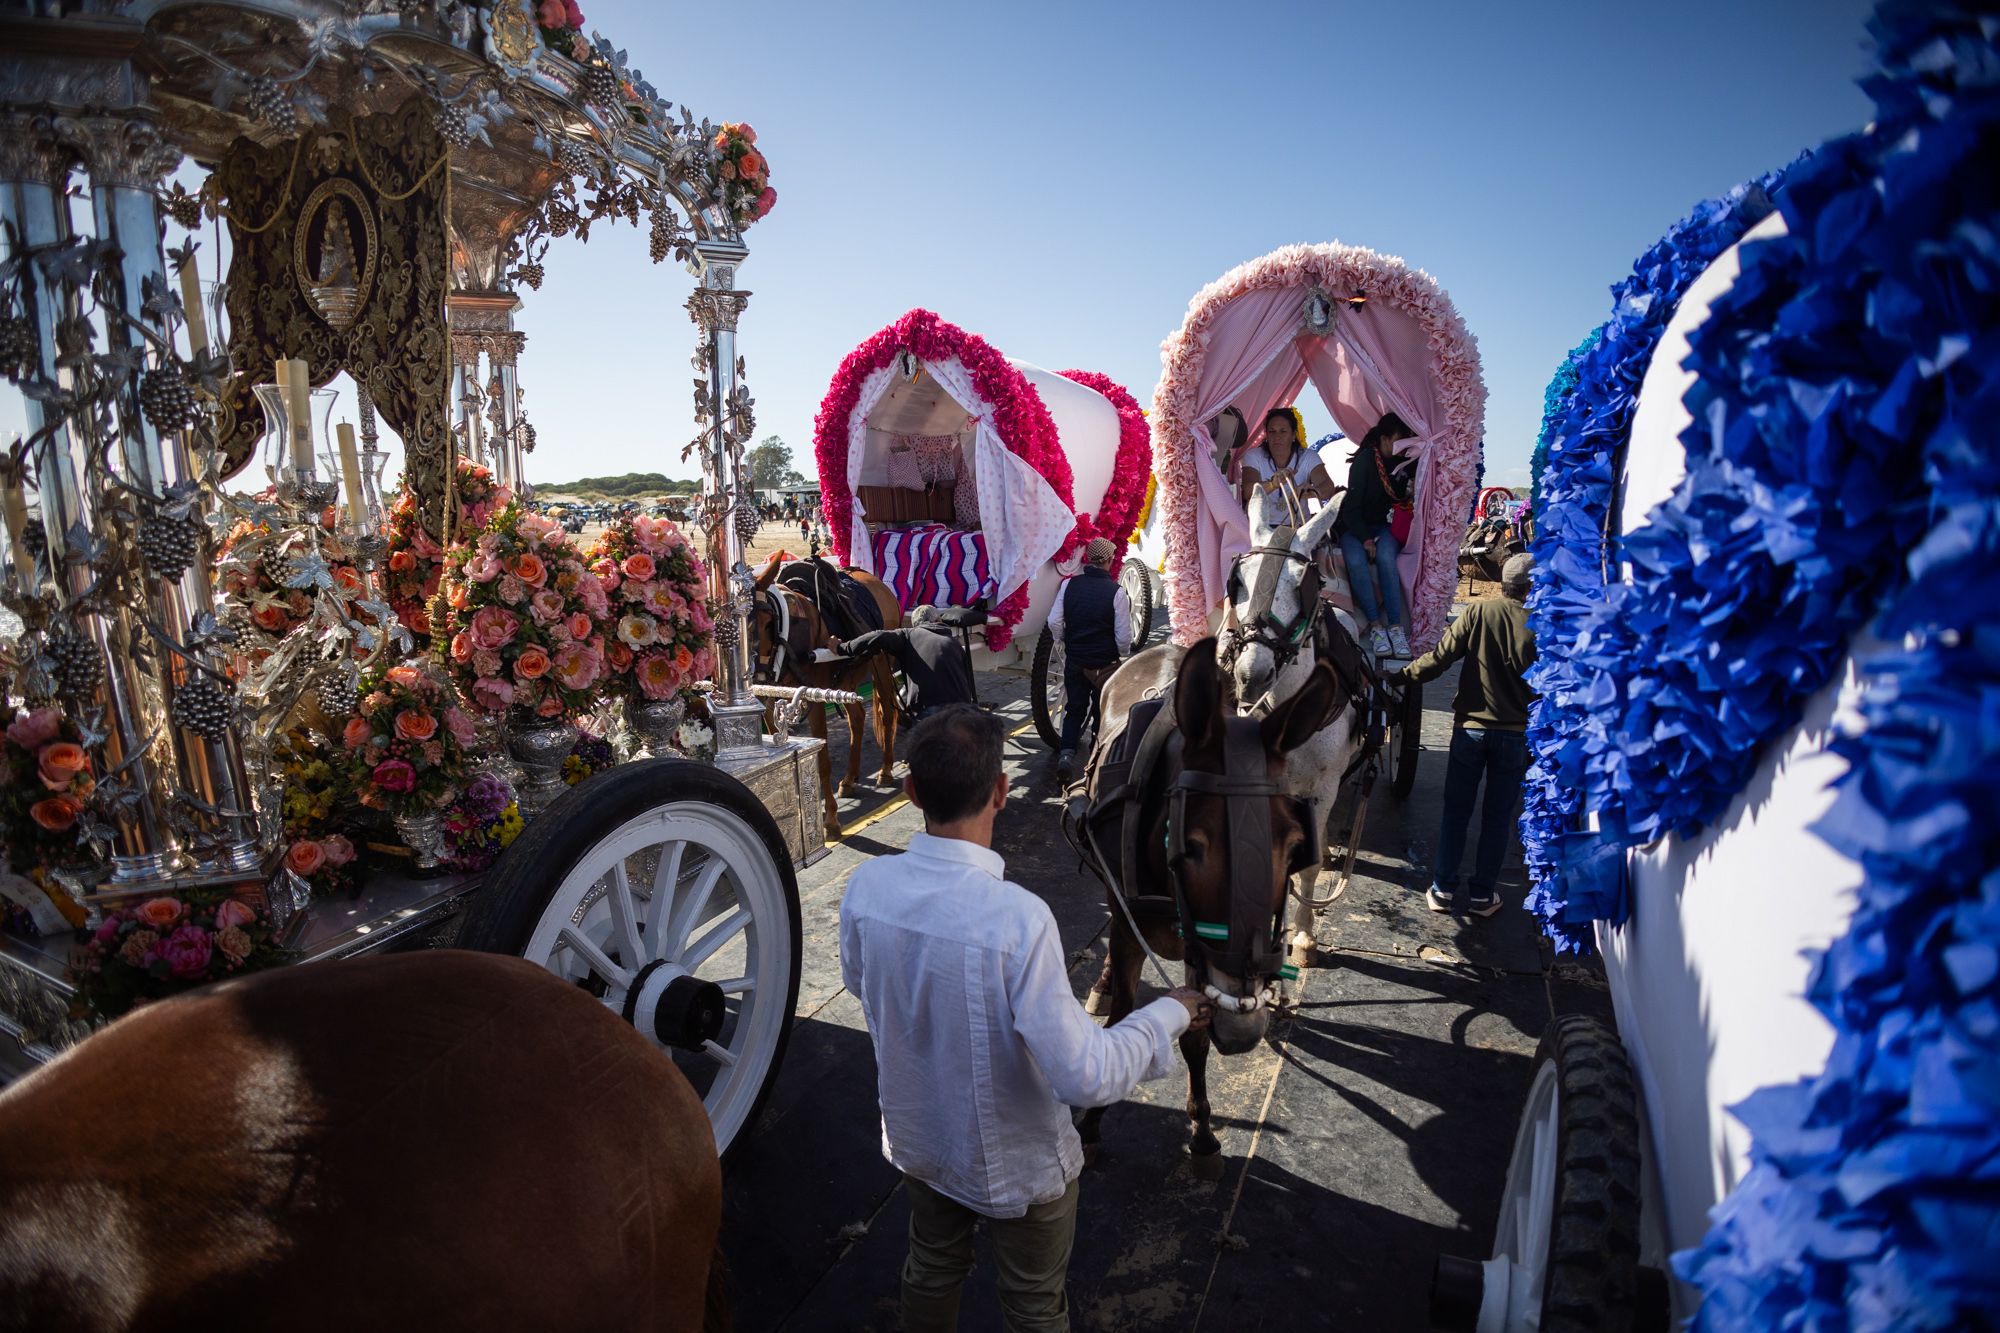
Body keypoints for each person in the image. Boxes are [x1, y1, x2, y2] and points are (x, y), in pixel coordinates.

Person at [840, 707, 1210, 1332]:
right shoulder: (1019, 920)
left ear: (909, 793)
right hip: (1018, 1166)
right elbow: (1085, 1079)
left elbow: (861, 984)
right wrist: (1167, 1014)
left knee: (930, 1267)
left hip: (921, 1143)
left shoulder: (865, 887)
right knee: (1034, 1304)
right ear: (1001, 791)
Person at [1394, 552, 1538, 917]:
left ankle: (1442, 889)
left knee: (1456, 811)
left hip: (1469, 732)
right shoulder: (1542, 625)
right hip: (1515, 736)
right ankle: (1481, 895)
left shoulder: (1476, 613)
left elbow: (1439, 659)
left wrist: (1402, 675)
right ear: (1531, 587)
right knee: (1497, 817)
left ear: (1503, 582)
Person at [1337, 411, 1419, 659]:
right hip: (1354, 528)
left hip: (1383, 526)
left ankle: (1395, 627)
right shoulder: (1364, 462)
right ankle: (1375, 626)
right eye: (1396, 441)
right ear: (1383, 439)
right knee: (1355, 561)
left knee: (1386, 558)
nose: (1399, 448)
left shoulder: (1406, 462)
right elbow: (1351, 509)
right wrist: (1365, 539)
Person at [1048, 536, 1130, 780]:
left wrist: (1062, 639)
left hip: (1076, 659)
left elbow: (1054, 621)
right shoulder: (1117, 593)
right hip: (1105, 663)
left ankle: (1066, 754)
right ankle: (1096, 757)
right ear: (1108, 560)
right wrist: (1121, 655)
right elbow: (1123, 637)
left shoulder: (1068, 585)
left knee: (1074, 708)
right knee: (1102, 710)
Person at [834, 625, 977, 722]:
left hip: (930, 708)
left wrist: (842, 648)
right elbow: (969, 679)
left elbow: (877, 636)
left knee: (927, 758)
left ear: (916, 623)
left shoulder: (910, 634)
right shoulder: (954, 643)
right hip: (963, 708)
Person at [1238, 406, 1338, 530]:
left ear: (1293, 435)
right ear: (1266, 435)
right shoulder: (1254, 456)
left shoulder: (1308, 457)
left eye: (1283, 431)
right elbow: (1248, 492)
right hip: (1261, 530)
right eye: (1272, 431)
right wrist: (1272, 484)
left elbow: (1328, 488)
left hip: (1298, 529)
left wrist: (1309, 492)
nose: (1277, 436)